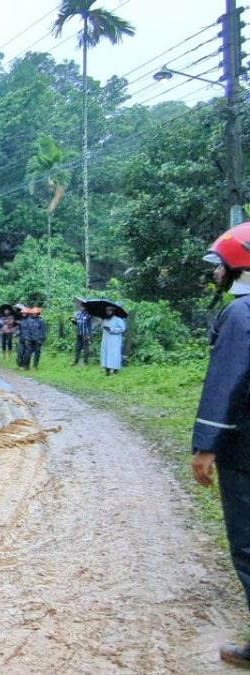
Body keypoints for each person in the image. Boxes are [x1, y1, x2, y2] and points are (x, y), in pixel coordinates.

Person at [190, 222, 250, 668]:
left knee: (247, 545)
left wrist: (207, 444)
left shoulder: (240, 315)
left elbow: (226, 383)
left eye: (220, 267)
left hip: (245, 452)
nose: (216, 275)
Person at [100, 305, 126, 375]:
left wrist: (111, 329)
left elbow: (122, 329)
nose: (108, 312)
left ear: (113, 311)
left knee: (114, 354)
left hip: (115, 341)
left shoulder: (118, 319)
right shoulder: (105, 319)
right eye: (107, 311)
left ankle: (115, 370)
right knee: (106, 353)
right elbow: (102, 327)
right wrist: (102, 324)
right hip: (106, 340)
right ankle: (107, 369)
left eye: (109, 310)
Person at [71, 301, 94, 365]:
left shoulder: (89, 315)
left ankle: (85, 362)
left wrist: (89, 335)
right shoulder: (78, 314)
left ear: (85, 307)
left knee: (85, 348)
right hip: (79, 333)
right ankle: (76, 361)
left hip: (85, 334)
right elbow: (77, 324)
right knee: (77, 347)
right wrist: (73, 321)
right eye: (81, 306)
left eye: (82, 306)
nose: (81, 307)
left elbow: (89, 326)